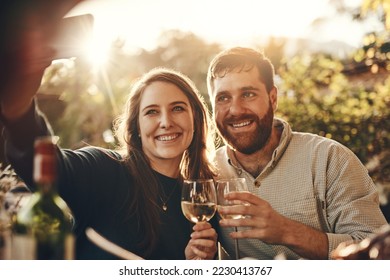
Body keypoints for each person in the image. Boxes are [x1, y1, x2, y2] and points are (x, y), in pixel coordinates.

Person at [0, 1, 217, 260]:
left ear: (196, 118)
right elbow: (48, 168)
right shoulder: (105, 170)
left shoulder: (201, 201)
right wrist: (19, 109)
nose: (166, 121)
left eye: (178, 108)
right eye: (151, 112)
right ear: (136, 127)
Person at [206, 47, 388, 260]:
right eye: (223, 98)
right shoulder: (208, 171)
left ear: (273, 98)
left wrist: (287, 231)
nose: (235, 110)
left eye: (248, 94)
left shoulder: (330, 158)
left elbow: (376, 254)